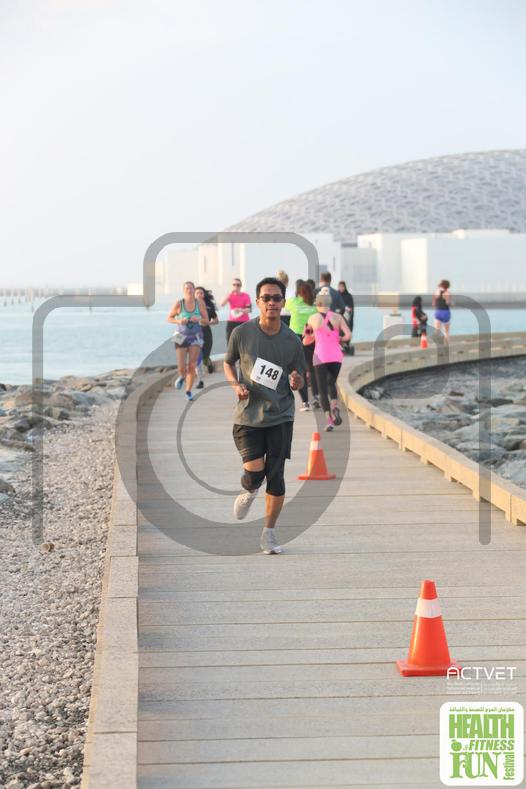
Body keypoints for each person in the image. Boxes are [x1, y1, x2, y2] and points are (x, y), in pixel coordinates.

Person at [223, 277, 306, 555]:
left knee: (276, 475)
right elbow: (228, 362)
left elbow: (299, 376)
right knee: (255, 474)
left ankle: (268, 533)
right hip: (247, 416)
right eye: (266, 298)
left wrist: (296, 381)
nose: (271, 302)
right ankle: (249, 489)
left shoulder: (292, 340)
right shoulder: (242, 333)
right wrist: (236, 385)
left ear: (283, 302)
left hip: (281, 414)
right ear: (257, 302)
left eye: (276, 298)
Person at [305, 291, 351, 432]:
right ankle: (335, 407)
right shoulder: (338, 317)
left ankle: (329, 421)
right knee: (331, 383)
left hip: (320, 356)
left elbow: (306, 340)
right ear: (329, 303)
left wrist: (313, 336)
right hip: (336, 356)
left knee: (322, 389)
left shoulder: (312, 318)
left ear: (317, 303)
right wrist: (339, 339)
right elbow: (348, 335)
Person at [167, 281, 209, 402]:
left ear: (194, 290)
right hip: (180, 336)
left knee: (192, 365)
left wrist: (199, 318)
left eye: (191, 288)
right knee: (181, 367)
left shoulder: (199, 303)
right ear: (183, 290)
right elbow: (169, 318)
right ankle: (181, 376)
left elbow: (206, 320)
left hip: (195, 336)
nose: (189, 290)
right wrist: (179, 321)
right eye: (187, 288)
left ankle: (188, 391)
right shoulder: (179, 303)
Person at [285, 281, 319, 410]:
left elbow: (283, 306)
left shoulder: (293, 302)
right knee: (312, 368)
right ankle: (316, 396)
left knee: (299, 371)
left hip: (295, 338)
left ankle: (305, 402)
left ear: (299, 292)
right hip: (311, 337)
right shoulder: (314, 306)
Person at [195, 286, 219, 387]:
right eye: (197, 293)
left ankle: (208, 363)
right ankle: (200, 381)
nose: (199, 295)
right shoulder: (190, 306)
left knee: (205, 356)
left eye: (201, 293)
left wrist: (209, 323)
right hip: (195, 333)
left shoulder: (209, 307)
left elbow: (216, 320)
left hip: (206, 332)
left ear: (204, 294)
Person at [337, 280, 355, 355]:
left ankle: (346, 345)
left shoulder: (348, 296)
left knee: (346, 330)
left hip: (347, 317)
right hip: (338, 316)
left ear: (345, 287)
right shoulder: (337, 295)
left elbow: (351, 307)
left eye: (342, 287)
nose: (341, 288)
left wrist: (347, 309)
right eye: (340, 287)